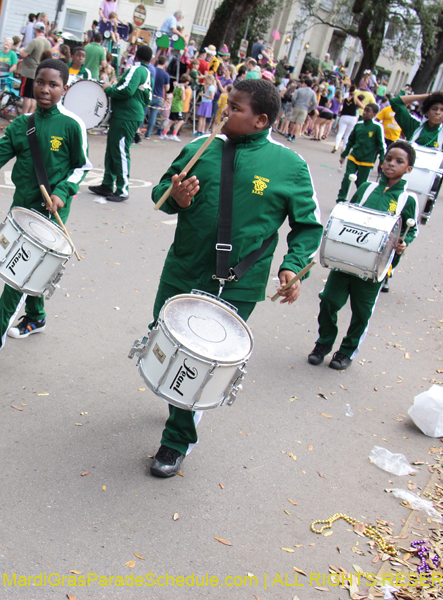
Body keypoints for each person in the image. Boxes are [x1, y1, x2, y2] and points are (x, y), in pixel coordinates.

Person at [146, 78, 322, 477]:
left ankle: (176, 441)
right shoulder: (200, 149)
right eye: (227, 105)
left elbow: (308, 227)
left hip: (238, 283)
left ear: (261, 120)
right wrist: (177, 197)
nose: (226, 113)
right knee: (169, 345)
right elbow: (159, 195)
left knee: (199, 359)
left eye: (236, 109)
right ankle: (181, 407)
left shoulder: (290, 166)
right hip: (183, 270)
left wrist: (293, 266)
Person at [0, 60, 91, 361]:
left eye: (53, 84)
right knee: (28, 268)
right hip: (21, 210)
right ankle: (36, 316)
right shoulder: (21, 125)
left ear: (64, 88)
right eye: (40, 82)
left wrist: (62, 193)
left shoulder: (72, 125)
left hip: (52, 212)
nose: (45, 89)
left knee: (19, 271)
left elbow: (81, 167)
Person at [308, 141, 418, 371]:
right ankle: (323, 343)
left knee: (361, 312)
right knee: (329, 300)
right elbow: (348, 216)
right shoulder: (366, 188)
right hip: (347, 260)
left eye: (399, 161)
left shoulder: (408, 200)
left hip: (374, 268)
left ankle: (346, 352)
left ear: (408, 169)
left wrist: (402, 244)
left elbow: (410, 229)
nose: (391, 164)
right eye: (388, 158)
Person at [87, 44, 152, 202]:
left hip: (126, 115)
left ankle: (122, 189)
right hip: (128, 114)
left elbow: (126, 90)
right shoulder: (146, 71)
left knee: (120, 151)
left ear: (135, 55)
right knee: (113, 150)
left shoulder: (136, 70)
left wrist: (109, 89)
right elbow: (145, 97)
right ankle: (107, 184)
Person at [338, 103, 385, 201]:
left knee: (361, 183)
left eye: (368, 111)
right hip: (354, 157)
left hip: (367, 160)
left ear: (374, 114)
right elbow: (350, 141)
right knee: (347, 178)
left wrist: (382, 161)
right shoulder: (358, 125)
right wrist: (344, 155)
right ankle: (341, 199)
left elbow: (381, 146)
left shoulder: (377, 127)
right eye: (364, 111)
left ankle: (357, 201)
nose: (365, 113)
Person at [18, 22, 50, 114]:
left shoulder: (34, 41)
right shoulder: (47, 43)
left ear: (35, 30)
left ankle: (23, 117)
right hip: (40, 73)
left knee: (27, 96)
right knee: (33, 97)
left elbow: (24, 54)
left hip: (29, 72)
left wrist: (21, 50)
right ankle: (30, 117)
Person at [143, 55, 169, 138]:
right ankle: (148, 134)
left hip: (149, 95)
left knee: (143, 114)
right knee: (153, 116)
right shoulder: (165, 74)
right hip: (158, 97)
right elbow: (167, 88)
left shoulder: (152, 70)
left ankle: (137, 131)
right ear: (165, 63)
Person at [333, 85, 364, 152]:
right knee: (347, 134)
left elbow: (339, 101)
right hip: (352, 118)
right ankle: (344, 148)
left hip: (344, 116)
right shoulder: (356, 99)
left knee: (340, 133)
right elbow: (362, 107)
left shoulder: (344, 100)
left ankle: (336, 145)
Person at [160, 73, 190, 141]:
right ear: (187, 81)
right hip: (178, 106)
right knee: (181, 121)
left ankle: (164, 133)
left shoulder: (176, 86)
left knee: (172, 120)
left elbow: (173, 94)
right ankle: (174, 134)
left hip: (174, 105)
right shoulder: (182, 88)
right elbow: (183, 98)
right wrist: (183, 91)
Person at [286, 76, 316, 142]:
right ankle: (294, 136)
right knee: (299, 123)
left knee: (293, 121)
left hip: (297, 106)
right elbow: (314, 102)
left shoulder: (299, 90)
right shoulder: (312, 93)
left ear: (305, 84)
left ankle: (289, 134)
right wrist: (310, 109)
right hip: (305, 108)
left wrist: (294, 104)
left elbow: (293, 98)